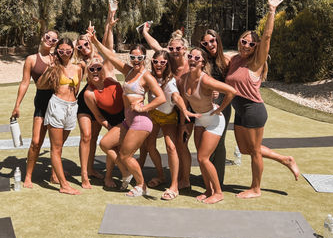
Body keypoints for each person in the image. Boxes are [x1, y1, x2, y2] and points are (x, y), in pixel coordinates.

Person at [226, 0, 300, 199]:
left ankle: (256, 189)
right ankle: (285, 159)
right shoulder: (234, 60)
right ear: (239, 40)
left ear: (256, 48)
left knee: (255, 151)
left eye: (251, 44)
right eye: (244, 41)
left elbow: (266, 37)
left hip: (253, 110)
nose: (247, 45)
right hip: (239, 110)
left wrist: (271, 11)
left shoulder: (255, 63)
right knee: (245, 148)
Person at [89, 30, 166, 197]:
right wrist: (95, 41)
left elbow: (161, 98)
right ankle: (126, 172)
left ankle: (141, 185)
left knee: (125, 154)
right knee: (105, 144)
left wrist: (144, 108)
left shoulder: (146, 77)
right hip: (128, 121)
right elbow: (110, 55)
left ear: (145, 58)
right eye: (133, 58)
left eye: (139, 58)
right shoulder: (129, 71)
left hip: (141, 122)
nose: (136, 61)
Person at [180, 48, 237, 204]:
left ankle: (218, 193)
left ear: (202, 63)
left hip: (214, 121)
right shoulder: (184, 79)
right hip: (199, 120)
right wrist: (185, 122)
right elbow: (183, 101)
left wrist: (220, 108)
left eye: (196, 58)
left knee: (203, 158)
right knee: (201, 158)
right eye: (190, 56)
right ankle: (208, 190)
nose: (192, 59)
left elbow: (231, 91)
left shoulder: (205, 80)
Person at [142, 25, 193, 190]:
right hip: (168, 108)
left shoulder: (190, 64)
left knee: (180, 145)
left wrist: (213, 92)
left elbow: (203, 74)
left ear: (184, 49)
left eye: (178, 48)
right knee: (153, 144)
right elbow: (155, 46)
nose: (175, 50)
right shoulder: (167, 59)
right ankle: (166, 176)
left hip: (186, 108)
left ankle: (184, 180)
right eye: (171, 48)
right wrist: (144, 32)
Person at [11, 30, 58, 188]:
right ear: (42, 37)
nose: (50, 40)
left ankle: (54, 174)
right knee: (36, 142)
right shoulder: (31, 59)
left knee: (55, 142)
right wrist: (17, 105)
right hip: (42, 101)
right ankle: (28, 176)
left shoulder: (57, 58)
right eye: (48, 37)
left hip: (57, 102)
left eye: (53, 40)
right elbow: (25, 83)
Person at [75, 11, 116, 188]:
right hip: (87, 100)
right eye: (79, 47)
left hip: (102, 99)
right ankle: (84, 174)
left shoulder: (101, 56)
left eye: (85, 44)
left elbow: (108, 44)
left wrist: (109, 21)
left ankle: (91, 169)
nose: (83, 47)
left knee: (95, 137)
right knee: (86, 136)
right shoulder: (81, 64)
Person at [42, 37, 84, 195]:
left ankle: (54, 175)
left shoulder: (78, 68)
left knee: (60, 146)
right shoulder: (54, 67)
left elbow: (77, 89)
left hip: (72, 107)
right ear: (57, 51)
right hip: (57, 105)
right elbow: (40, 85)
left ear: (72, 50)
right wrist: (49, 69)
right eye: (61, 51)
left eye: (68, 50)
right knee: (56, 148)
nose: (65, 53)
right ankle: (64, 186)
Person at [82, 57, 129, 189]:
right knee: (110, 146)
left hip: (126, 117)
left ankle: (130, 175)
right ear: (88, 72)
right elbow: (97, 116)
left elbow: (108, 49)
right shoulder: (89, 93)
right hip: (110, 121)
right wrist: (110, 127)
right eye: (92, 69)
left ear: (103, 70)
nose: (95, 71)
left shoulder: (112, 81)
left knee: (121, 149)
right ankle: (111, 176)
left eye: (98, 68)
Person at [200, 29, 232, 189]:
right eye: (205, 43)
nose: (209, 45)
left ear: (217, 40)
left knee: (219, 142)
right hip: (205, 106)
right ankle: (208, 175)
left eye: (212, 41)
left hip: (222, 106)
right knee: (206, 142)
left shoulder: (226, 60)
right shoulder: (202, 60)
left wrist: (221, 90)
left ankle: (218, 180)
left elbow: (232, 85)